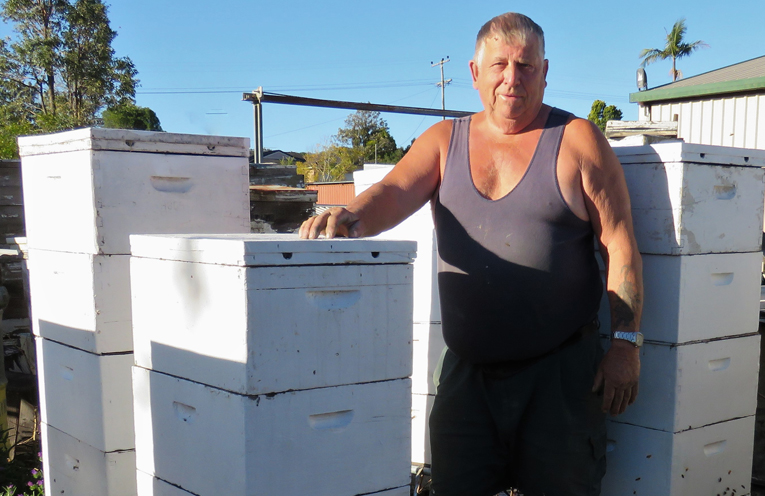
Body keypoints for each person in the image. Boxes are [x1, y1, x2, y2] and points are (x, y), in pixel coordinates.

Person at [299, 12, 642, 496]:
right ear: (475, 72)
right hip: (468, 379)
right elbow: (394, 190)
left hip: (560, 378)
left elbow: (620, 244)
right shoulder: (444, 141)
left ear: (545, 71)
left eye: (526, 65)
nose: (512, 78)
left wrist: (627, 344)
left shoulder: (578, 140)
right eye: (499, 64)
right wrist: (347, 218)